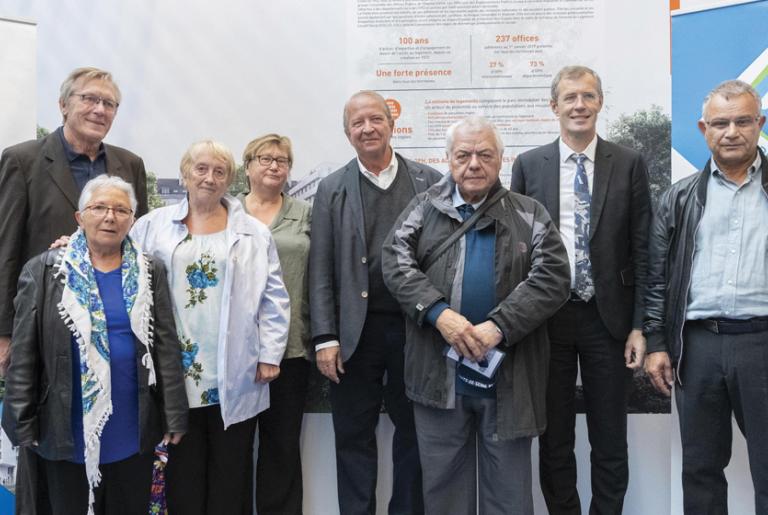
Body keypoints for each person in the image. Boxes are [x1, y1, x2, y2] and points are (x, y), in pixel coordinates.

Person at [382, 115, 570, 514]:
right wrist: (438, 314)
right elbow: (395, 262)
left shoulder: (529, 212)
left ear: (501, 159)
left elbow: (553, 277)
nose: (474, 164)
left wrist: (499, 326)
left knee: (509, 497)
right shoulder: (423, 207)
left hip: (510, 379)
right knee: (443, 493)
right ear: (448, 159)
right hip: (438, 375)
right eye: (463, 154)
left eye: (485, 154)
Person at [0, 66, 148, 515]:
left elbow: (133, 246)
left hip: (114, 334)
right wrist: (5, 333)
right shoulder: (23, 160)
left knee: (118, 470)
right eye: (89, 99)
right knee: (49, 465)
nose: (99, 110)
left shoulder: (129, 165)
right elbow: (6, 248)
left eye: (109, 104)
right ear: (64, 105)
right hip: (48, 337)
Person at [510, 64, 651, 514]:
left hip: (607, 320)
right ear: (554, 106)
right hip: (547, 320)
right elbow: (515, 254)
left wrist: (638, 326)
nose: (579, 105)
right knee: (554, 438)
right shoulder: (529, 165)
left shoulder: (628, 162)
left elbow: (643, 250)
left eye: (588, 96)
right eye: (570, 97)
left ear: (600, 103)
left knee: (610, 437)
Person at [1, 175, 187, 515]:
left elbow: (166, 348)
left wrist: (173, 413)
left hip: (131, 427)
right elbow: (24, 354)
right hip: (63, 427)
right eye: (99, 207)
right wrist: (20, 420)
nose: (110, 217)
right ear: (79, 217)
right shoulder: (45, 270)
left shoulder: (150, 271)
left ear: (132, 219)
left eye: (120, 210)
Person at [130, 140, 290, 515]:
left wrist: (269, 354)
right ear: (185, 174)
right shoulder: (151, 226)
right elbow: (114, 261)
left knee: (230, 475)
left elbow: (275, 298)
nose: (209, 178)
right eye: (200, 169)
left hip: (235, 371)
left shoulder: (252, 232)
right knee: (182, 476)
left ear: (230, 181)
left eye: (220, 172)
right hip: (175, 374)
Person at [309, 90, 441, 514]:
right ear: (348, 133)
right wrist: (325, 336)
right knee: (352, 436)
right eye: (357, 123)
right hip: (353, 334)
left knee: (416, 434)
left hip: (414, 330)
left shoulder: (430, 181)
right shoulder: (332, 188)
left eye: (375, 120)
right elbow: (322, 267)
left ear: (391, 124)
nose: (367, 128)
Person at [644, 79, 768, 514]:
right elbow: (656, 278)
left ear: (760, 123)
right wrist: (657, 343)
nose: (731, 132)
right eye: (720, 123)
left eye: (741, 121)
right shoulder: (679, 197)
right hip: (698, 348)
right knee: (700, 469)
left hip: (762, 344)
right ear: (703, 129)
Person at [238, 133, 311, 515]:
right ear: (247, 166)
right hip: (235, 353)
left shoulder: (306, 214)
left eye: (282, 160)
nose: (273, 166)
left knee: (281, 448)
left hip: (290, 350)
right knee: (232, 450)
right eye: (264, 158)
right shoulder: (226, 213)